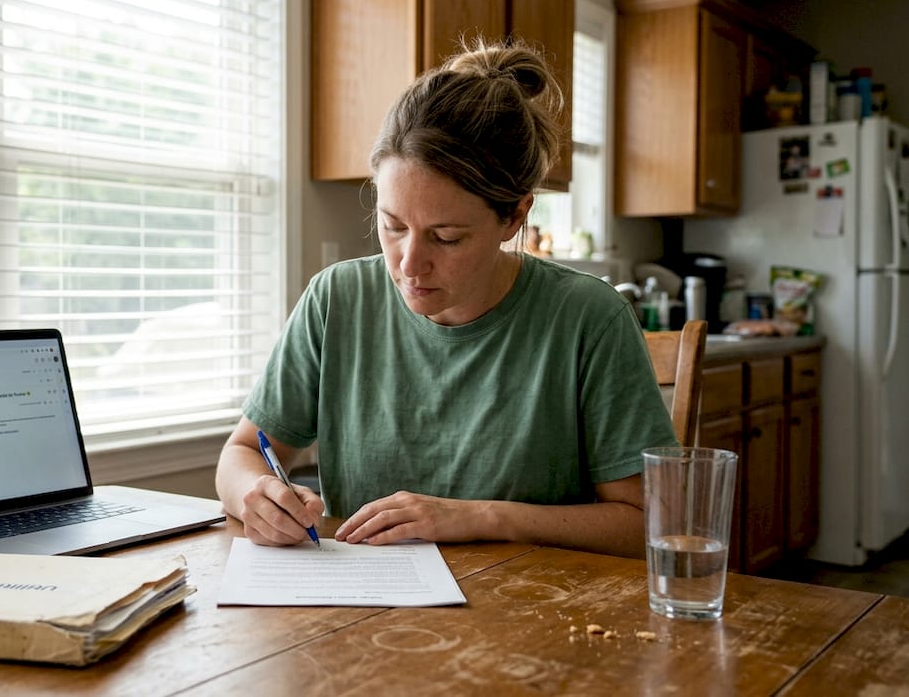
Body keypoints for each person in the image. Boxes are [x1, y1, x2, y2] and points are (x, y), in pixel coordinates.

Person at [215, 39, 676, 559]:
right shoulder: (336, 298)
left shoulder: (588, 317)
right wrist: (257, 494)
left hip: (530, 614)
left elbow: (647, 524)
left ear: (514, 216)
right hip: (363, 617)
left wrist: (479, 515)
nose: (409, 264)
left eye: (447, 237)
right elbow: (242, 453)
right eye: (391, 226)